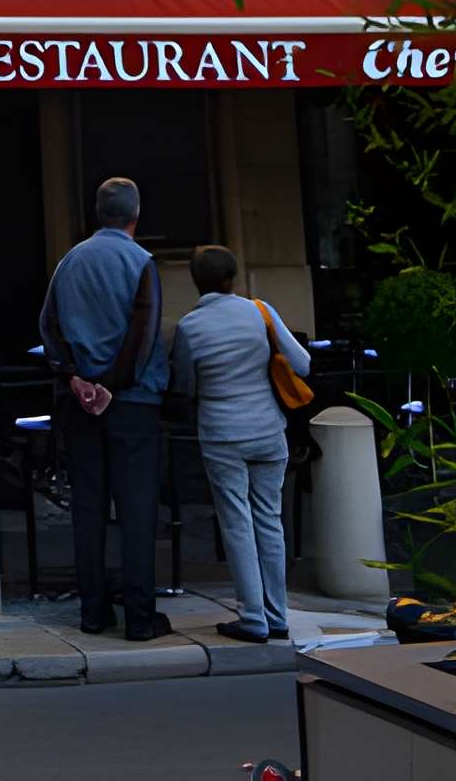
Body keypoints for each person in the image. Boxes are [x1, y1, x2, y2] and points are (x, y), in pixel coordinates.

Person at [40, 175, 171, 638]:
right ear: (136, 215)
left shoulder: (69, 262)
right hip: (132, 402)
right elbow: (144, 329)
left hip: (78, 401)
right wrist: (114, 383)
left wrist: (76, 377)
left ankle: (93, 612)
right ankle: (139, 617)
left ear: (98, 213)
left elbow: (49, 327)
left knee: (88, 508)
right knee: (136, 512)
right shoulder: (141, 261)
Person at [169, 244, 311, 643]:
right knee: (270, 518)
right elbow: (302, 364)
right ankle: (277, 614)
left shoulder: (189, 327)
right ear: (233, 277)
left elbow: (184, 386)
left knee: (236, 522)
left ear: (196, 281)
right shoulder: (259, 310)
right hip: (268, 429)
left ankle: (252, 618)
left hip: (221, 432)